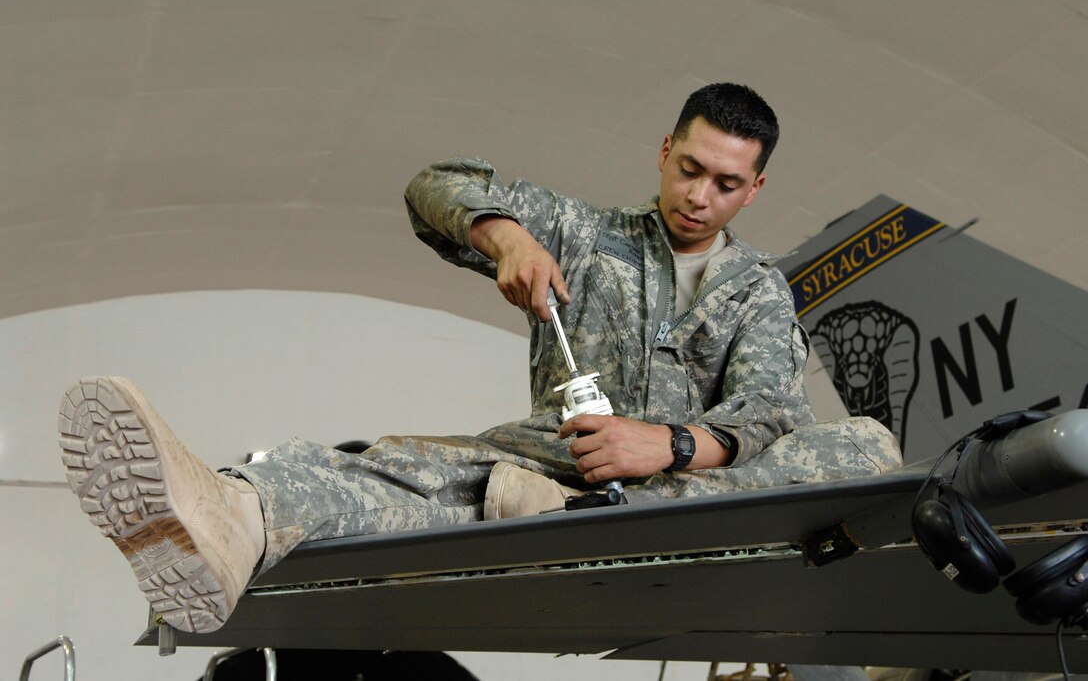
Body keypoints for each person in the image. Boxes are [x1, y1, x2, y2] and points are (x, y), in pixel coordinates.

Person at [56, 83, 902, 635]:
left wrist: (670, 445)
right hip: (554, 461)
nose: (698, 195)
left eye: (724, 183)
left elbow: (769, 416)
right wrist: (504, 237)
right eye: (689, 169)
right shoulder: (586, 232)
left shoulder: (756, 287)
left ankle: (551, 510)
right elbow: (436, 184)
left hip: (695, 487)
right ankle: (227, 518)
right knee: (403, 465)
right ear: (663, 150)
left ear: (753, 191)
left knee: (861, 445)